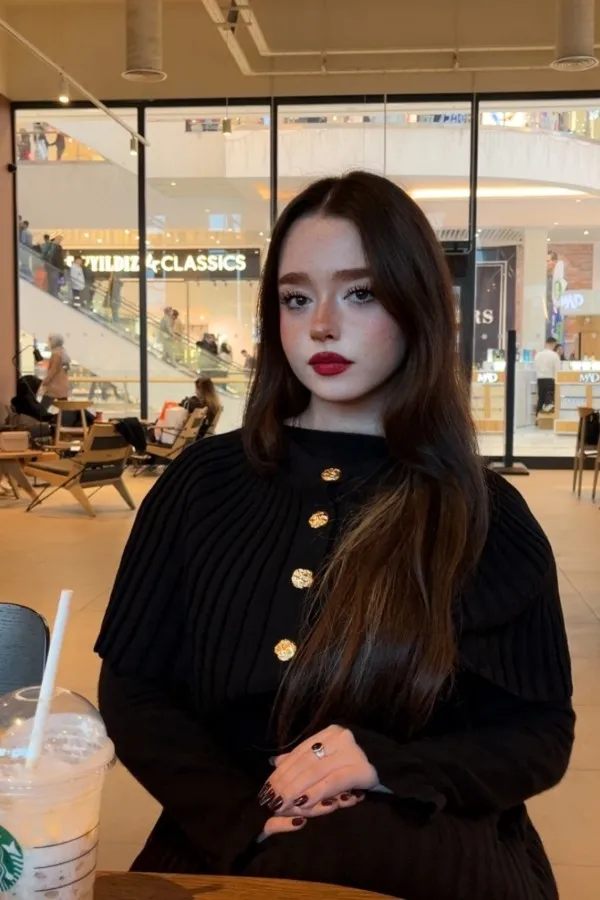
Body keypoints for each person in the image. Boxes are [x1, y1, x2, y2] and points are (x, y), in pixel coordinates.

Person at [95, 172, 573, 900]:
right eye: (296, 298)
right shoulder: (201, 485)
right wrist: (242, 816)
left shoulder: (484, 514)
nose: (320, 325)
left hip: (433, 851)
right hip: (229, 849)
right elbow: (134, 689)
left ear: (417, 304)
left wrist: (390, 767)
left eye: (360, 293)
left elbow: (537, 735)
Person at [39, 333, 70, 411]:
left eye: (49, 341)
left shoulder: (56, 354)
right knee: (65, 411)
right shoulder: (63, 353)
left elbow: (53, 371)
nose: (47, 342)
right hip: (63, 387)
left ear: (54, 342)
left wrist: (44, 382)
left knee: (41, 410)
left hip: (53, 388)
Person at [535, 336, 561, 415]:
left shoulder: (538, 355)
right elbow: (557, 370)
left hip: (540, 379)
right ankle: (548, 415)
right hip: (550, 379)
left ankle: (537, 417)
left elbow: (535, 367)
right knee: (550, 400)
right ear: (553, 344)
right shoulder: (554, 355)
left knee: (540, 399)